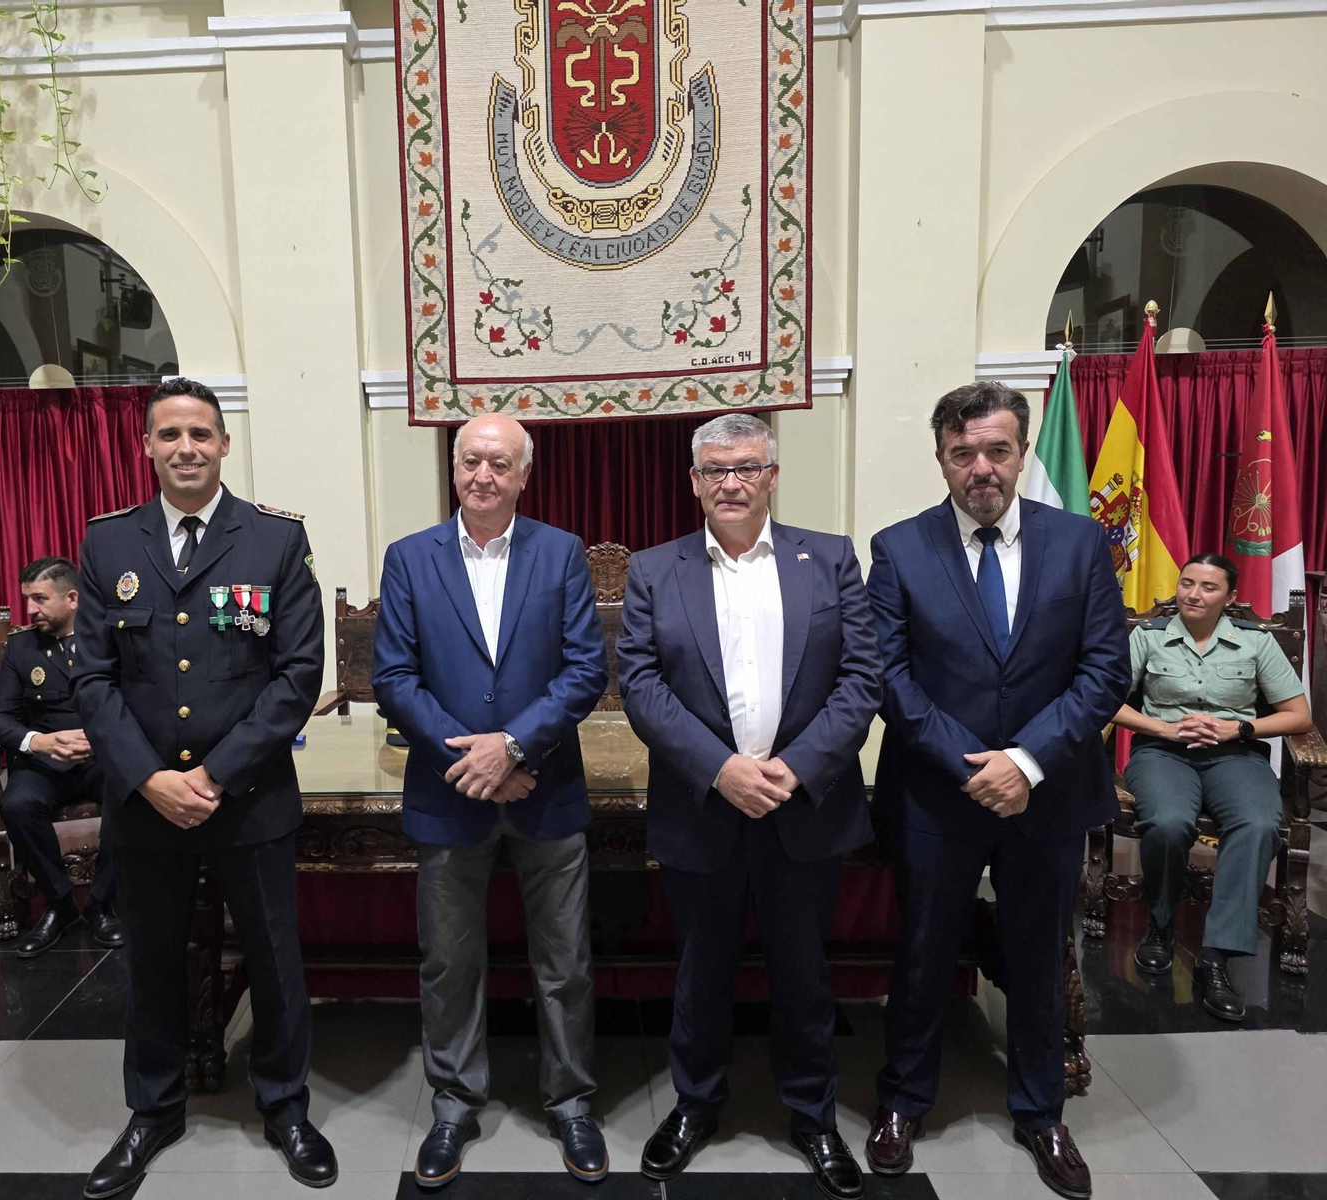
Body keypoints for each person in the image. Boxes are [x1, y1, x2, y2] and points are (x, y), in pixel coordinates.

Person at [865, 382, 1130, 1200]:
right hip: (938, 796)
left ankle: (1041, 1111)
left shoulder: (1082, 544)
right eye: (963, 453)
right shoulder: (899, 548)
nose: (981, 467)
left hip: (1046, 796)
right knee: (922, 955)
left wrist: (1028, 763)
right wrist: (972, 765)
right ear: (941, 457)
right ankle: (904, 1101)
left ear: (1020, 451)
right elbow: (890, 675)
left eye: (997, 450)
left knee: (1039, 956)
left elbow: (1104, 671)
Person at [71, 377, 335, 1198]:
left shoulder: (274, 541)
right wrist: (150, 777)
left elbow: (297, 676)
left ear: (224, 445)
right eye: (168, 435)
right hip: (145, 807)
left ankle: (285, 1106)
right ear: (146, 447)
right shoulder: (107, 544)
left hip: (248, 801)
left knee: (274, 960)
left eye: (201, 434)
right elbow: (92, 678)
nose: (185, 447)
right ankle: (153, 1110)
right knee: (152, 962)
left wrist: (214, 774)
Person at [616, 413, 883, 1199]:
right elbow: (639, 685)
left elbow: (861, 679)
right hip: (703, 808)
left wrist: (794, 769)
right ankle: (694, 1106)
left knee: (805, 974)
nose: (729, 482)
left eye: (745, 467)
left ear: (772, 475)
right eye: (713, 470)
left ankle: (813, 1116)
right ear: (693, 482)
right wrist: (720, 768)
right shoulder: (655, 570)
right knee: (699, 971)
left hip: (806, 808)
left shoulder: (829, 559)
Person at [372, 414, 609, 1189]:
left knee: (565, 961)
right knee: (448, 962)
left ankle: (571, 1103)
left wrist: (510, 747)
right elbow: (395, 678)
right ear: (454, 466)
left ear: (523, 474)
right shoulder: (409, 558)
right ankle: (453, 1103)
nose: (483, 474)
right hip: (450, 795)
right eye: (471, 460)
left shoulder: (561, 552)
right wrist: (472, 758)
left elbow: (583, 669)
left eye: (499, 463)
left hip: (546, 786)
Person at [1111, 551, 1311, 1021]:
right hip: (1162, 753)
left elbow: (1298, 715)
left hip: (1234, 755)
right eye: (1186, 583)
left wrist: (1235, 730)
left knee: (1259, 823)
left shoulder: (1255, 643)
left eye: (1208, 587)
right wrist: (1162, 730)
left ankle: (1216, 957)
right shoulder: (1148, 637)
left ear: (1230, 597)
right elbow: (1104, 701)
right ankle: (1159, 925)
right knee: (1166, 821)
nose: (1193, 594)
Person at [0, 556, 122, 955]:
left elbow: (139, 701)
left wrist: (102, 738)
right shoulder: (22, 647)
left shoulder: (108, 637)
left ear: (72, 598)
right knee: (17, 805)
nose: (30, 610)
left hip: (103, 755)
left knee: (130, 793)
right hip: (45, 760)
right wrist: (39, 742)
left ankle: (101, 903)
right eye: (27, 599)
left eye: (39, 599)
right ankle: (60, 904)